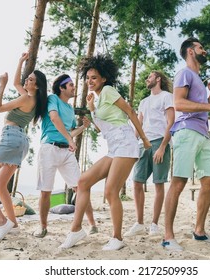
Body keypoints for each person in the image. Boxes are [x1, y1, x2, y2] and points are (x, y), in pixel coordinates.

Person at [59, 54, 151, 251]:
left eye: (94, 78)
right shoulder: (98, 100)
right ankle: (76, 230)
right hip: (113, 147)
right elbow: (102, 129)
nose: (89, 82)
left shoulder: (108, 90)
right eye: (88, 78)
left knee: (110, 191)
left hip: (125, 143)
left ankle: (117, 238)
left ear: (103, 79)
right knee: (83, 181)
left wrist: (143, 138)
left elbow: (130, 112)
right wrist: (92, 108)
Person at [162, 37, 210, 251]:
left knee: (209, 183)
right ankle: (168, 236)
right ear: (191, 51)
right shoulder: (184, 73)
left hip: (202, 133)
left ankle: (199, 232)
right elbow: (179, 104)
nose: (205, 50)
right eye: (201, 47)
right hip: (186, 131)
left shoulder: (198, 79)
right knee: (179, 182)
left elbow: (201, 107)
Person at [0, 52, 48, 241]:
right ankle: (13, 224)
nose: (26, 80)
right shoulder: (33, 99)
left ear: (36, 86)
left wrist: (1, 86)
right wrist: (21, 62)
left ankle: (1, 222)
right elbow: (17, 83)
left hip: (11, 138)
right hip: (21, 142)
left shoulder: (25, 99)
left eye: (30, 79)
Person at [34, 74, 97, 238]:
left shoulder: (70, 109)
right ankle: (42, 227)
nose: (73, 87)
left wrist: (83, 127)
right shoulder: (52, 99)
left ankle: (92, 224)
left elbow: (70, 132)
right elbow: (54, 118)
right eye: (70, 85)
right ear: (61, 88)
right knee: (45, 191)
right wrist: (70, 139)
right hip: (49, 149)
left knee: (81, 187)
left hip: (66, 152)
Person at [124, 71, 174, 237]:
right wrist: (132, 144)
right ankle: (139, 223)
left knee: (158, 184)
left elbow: (171, 122)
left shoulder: (167, 96)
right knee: (137, 182)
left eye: (150, 76)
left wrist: (162, 147)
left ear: (158, 79)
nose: (147, 78)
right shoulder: (144, 102)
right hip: (143, 144)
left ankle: (154, 224)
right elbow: (139, 124)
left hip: (160, 142)